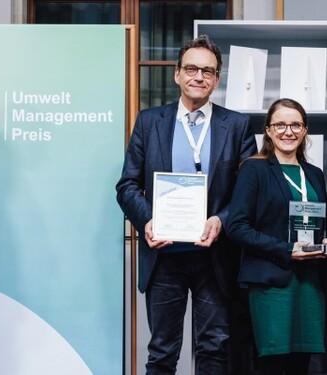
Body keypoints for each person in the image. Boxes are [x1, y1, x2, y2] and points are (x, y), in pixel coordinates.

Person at [115, 35, 256, 374]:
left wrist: (220, 220)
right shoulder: (150, 122)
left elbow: (247, 192)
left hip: (215, 256)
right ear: (177, 74)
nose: (199, 76)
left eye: (208, 71)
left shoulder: (237, 126)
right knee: (162, 351)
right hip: (164, 255)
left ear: (217, 79)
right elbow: (127, 185)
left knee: (214, 348)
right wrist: (148, 221)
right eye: (191, 68)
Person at [226, 98, 327, 375]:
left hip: (310, 282)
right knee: (272, 364)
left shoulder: (314, 174)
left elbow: (324, 220)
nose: (288, 131)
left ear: (305, 130)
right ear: (269, 130)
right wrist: (286, 249)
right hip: (271, 283)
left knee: (302, 364)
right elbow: (237, 226)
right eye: (281, 125)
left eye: (296, 124)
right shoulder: (254, 169)